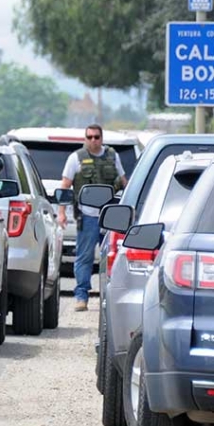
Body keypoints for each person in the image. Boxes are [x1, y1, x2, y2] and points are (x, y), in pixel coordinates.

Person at [57, 124, 127, 311]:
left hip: (110, 217)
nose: (93, 140)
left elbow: (124, 181)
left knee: (113, 257)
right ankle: (81, 297)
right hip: (87, 216)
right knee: (84, 258)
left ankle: (111, 297)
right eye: (90, 137)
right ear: (85, 138)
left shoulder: (112, 156)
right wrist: (61, 212)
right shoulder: (76, 158)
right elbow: (65, 186)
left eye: (97, 137)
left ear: (102, 138)